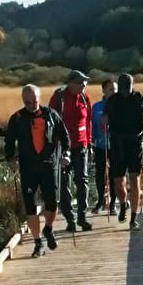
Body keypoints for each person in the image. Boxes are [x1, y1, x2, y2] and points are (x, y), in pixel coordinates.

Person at [4, 84, 66, 258]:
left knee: (52, 204)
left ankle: (48, 228)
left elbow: (64, 137)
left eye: (33, 101)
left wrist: (66, 154)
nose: (30, 105)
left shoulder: (51, 115)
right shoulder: (17, 118)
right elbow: (9, 141)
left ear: (40, 98)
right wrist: (10, 158)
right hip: (28, 167)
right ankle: (38, 243)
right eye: (27, 102)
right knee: (30, 207)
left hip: (49, 165)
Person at [102, 73, 143, 228]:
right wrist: (104, 120)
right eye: (123, 89)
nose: (125, 92)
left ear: (133, 85)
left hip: (135, 142)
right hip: (117, 143)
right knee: (118, 182)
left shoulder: (141, 99)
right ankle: (123, 203)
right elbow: (104, 119)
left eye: (127, 89)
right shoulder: (112, 101)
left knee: (134, 178)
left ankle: (133, 217)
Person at [47, 70, 93, 232]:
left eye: (85, 83)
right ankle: (69, 220)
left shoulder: (85, 98)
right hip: (63, 147)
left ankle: (82, 217)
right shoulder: (59, 98)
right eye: (81, 83)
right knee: (64, 184)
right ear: (71, 83)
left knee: (82, 181)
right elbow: (50, 121)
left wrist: (89, 143)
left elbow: (88, 122)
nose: (84, 85)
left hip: (81, 145)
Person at [89, 78, 114, 213]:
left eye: (115, 89)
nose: (113, 91)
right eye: (110, 89)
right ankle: (100, 200)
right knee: (100, 174)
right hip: (100, 145)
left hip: (116, 145)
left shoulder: (119, 105)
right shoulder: (97, 107)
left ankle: (113, 203)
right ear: (104, 90)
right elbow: (92, 127)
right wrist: (91, 144)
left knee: (115, 174)